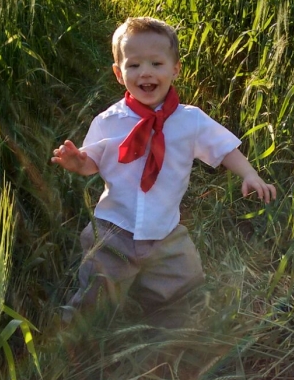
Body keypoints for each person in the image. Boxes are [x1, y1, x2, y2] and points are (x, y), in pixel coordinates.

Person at [51, 16, 276, 327]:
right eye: (133, 65)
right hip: (114, 228)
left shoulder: (190, 120)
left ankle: (169, 333)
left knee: (184, 287)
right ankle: (76, 332)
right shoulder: (109, 121)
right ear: (119, 74)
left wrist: (249, 173)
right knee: (97, 293)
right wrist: (78, 163)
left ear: (175, 69)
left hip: (166, 230)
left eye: (156, 63)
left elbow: (224, 148)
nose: (145, 72)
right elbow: (93, 163)